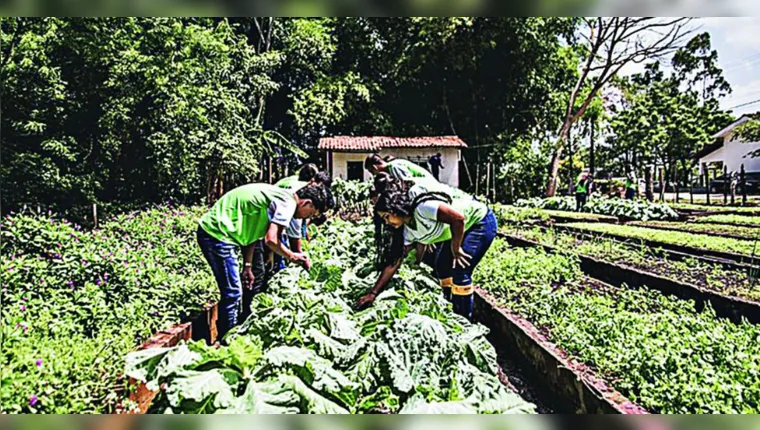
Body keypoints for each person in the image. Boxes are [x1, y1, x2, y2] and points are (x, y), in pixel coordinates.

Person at [197, 182, 331, 339]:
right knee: (233, 293)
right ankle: (227, 341)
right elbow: (271, 240)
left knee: (233, 292)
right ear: (307, 203)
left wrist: (248, 266)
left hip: (221, 233)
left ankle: (229, 335)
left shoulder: (279, 197)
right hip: (217, 233)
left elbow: (253, 234)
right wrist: (293, 256)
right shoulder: (287, 203)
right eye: (310, 214)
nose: (307, 218)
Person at [355, 176, 497, 320]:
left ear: (395, 209)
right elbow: (394, 263)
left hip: (479, 221)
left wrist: (456, 248)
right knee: (441, 266)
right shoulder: (407, 231)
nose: (387, 222)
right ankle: (451, 307)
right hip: (455, 230)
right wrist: (373, 293)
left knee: (460, 270)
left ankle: (464, 319)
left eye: (387, 216)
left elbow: (458, 219)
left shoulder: (423, 208)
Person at [364, 153, 435, 181]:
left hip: (428, 184)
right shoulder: (391, 168)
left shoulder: (394, 166)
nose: (373, 174)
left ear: (375, 167)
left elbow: (408, 183)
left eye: (372, 171)